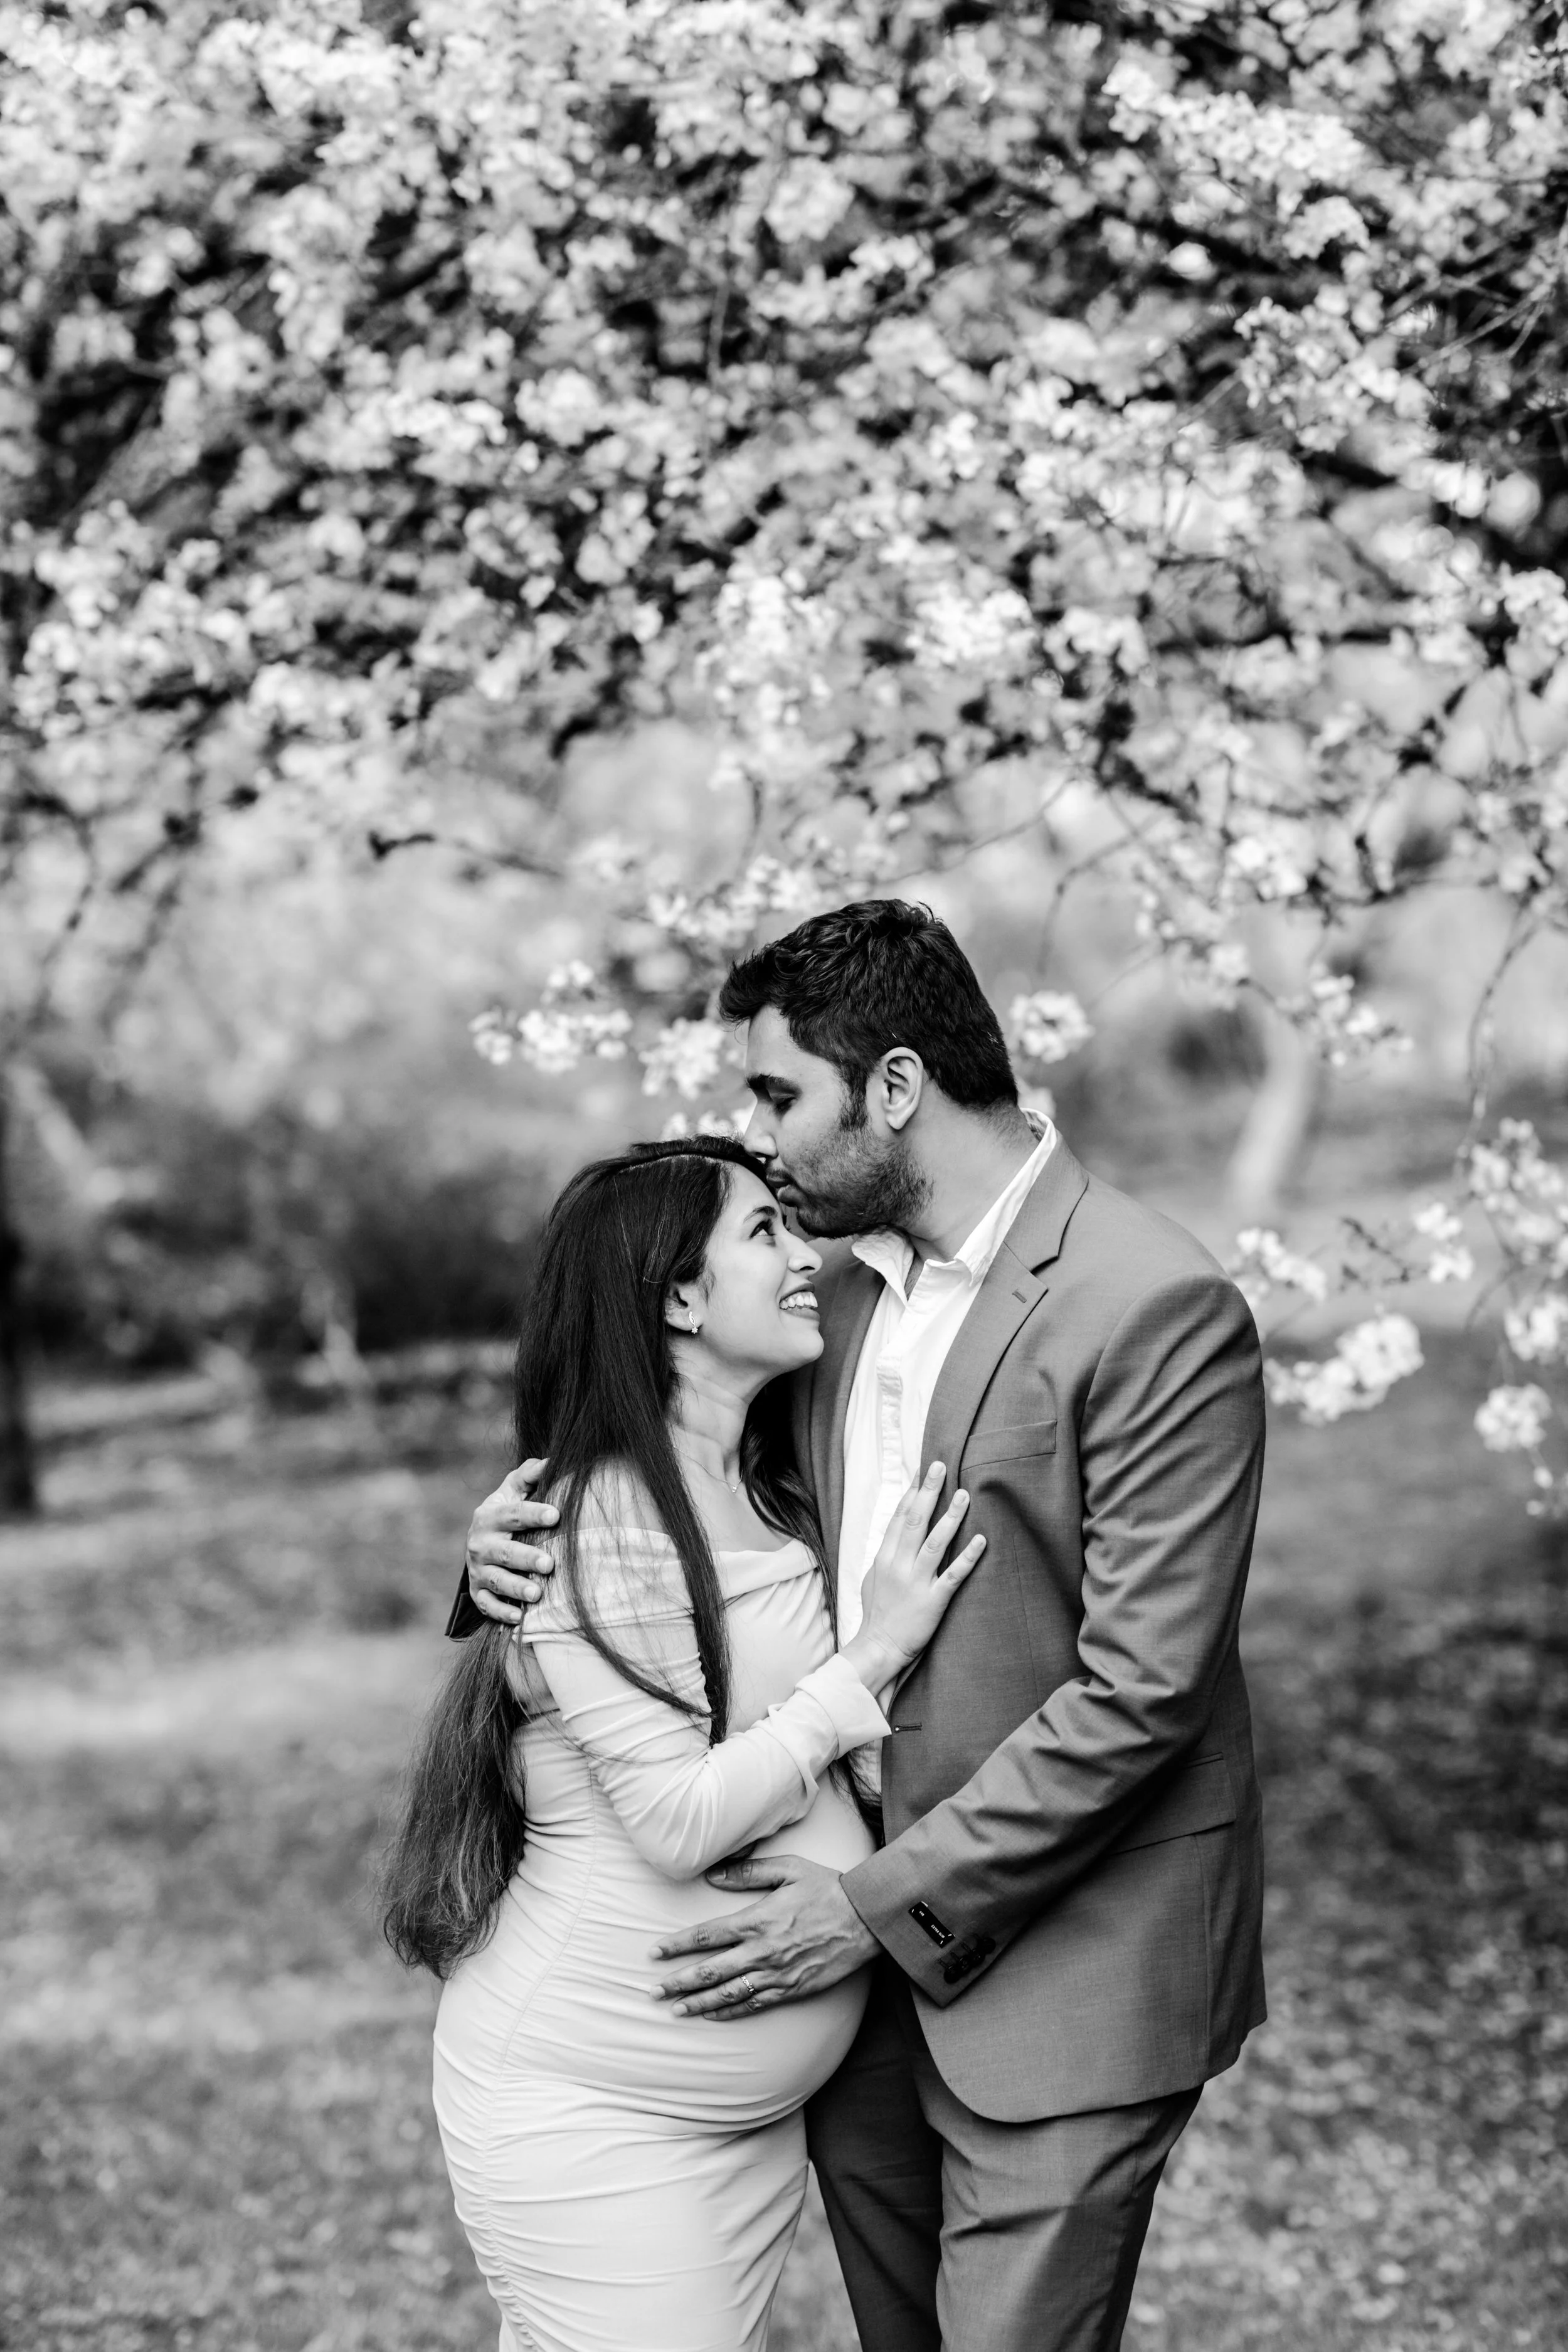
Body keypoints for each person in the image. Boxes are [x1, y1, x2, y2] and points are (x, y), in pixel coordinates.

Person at [458, 899, 1268, 2352]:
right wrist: (501, 1546)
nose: (756, 1136)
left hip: (1067, 1969)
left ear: (893, 1087)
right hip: (858, 2003)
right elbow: (664, 1473)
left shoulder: (1152, 1305)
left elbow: (1141, 1692)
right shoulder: (819, 1302)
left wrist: (866, 1905)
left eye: (778, 1095)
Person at [382, 1135, 986, 2352]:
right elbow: (676, 1820)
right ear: (676, 1296)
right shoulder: (598, 1521)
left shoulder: (766, 1476)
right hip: (598, 2115)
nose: (800, 1252)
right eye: (761, 1232)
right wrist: (870, 1655)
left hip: (732, 2122)